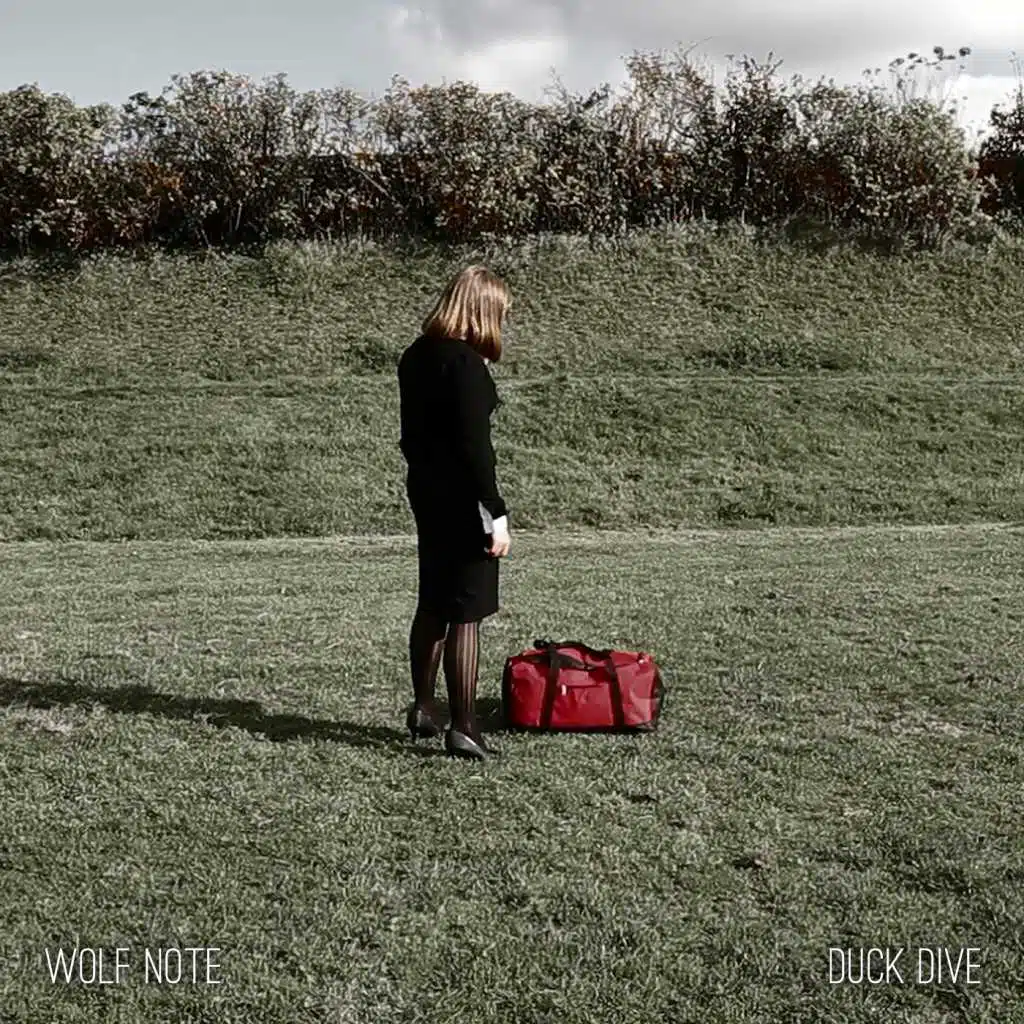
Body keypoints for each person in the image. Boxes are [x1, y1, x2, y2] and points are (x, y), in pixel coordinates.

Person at [397, 265, 512, 761]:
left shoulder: (416, 355)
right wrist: (495, 512)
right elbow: (475, 449)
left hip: (426, 491)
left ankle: (425, 706)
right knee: (467, 609)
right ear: (483, 311)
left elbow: (412, 436)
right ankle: (464, 726)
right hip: (464, 498)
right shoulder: (465, 365)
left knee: (434, 601)